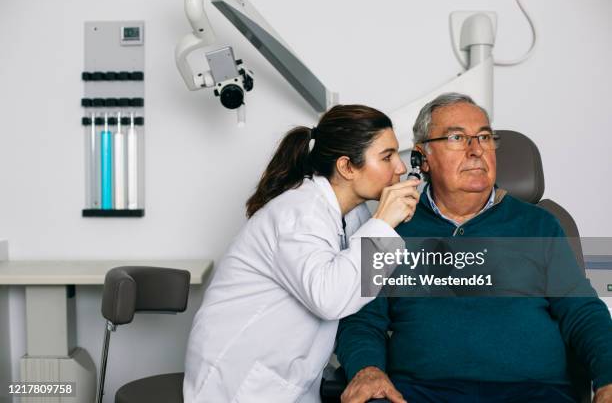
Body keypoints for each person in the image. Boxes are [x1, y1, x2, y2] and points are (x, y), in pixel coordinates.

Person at [335, 93, 612, 403]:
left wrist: (608, 378)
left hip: (534, 393)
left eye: (484, 137)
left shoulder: (539, 225)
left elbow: (583, 312)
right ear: (422, 158)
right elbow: (362, 319)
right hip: (422, 393)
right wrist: (367, 369)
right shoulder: (388, 226)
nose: (477, 149)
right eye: (457, 137)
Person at [183, 104, 421, 402]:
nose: (399, 168)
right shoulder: (299, 213)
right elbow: (330, 299)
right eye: (386, 157)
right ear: (347, 167)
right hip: (240, 380)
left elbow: (359, 289)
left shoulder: (355, 215)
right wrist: (385, 223)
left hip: (288, 379)